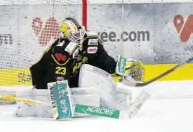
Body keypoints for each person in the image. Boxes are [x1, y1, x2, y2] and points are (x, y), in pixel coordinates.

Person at [14, 17, 146, 118]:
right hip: (45, 82)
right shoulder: (61, 49)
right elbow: (57, 77)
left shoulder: (91, 40)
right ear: (64, 37)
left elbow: (104, 61)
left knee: (87, 70)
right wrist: (62, 105)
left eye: (79, 34)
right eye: (72, 37)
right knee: (83, 72)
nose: (77, 39)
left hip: (70, 78)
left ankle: (112, 102)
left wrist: (120, 68)